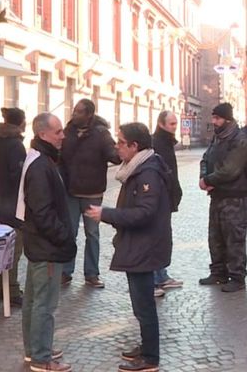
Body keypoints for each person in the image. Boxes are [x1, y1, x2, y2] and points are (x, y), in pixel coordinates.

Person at [86, 122, 172, 372]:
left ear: (135, 146)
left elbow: (144, 213)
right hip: (139, 244)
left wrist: (107, 214)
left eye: (121, 142)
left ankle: (151, 358)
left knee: (144, 304)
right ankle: (146, 347)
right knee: (139, 302)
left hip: (145, 245)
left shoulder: (147, 173)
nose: (116, 147)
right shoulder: (138, 168)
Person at [16, 112, 76, 372]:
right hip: (46, 246)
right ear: (43, 134)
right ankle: (41, 358)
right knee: (43, 304)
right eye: (58, 132)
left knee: (33, 300)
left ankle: (35, 350)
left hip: (39, 243)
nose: (63, 136)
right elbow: (42, 212)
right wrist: (64, 238)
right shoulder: (40, 165)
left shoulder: (40, 159)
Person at [60, 98, 120, 288]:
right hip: (70, 192)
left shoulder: (101, 135)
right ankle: (65, 271)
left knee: (92, 234)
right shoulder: (67, 132)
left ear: (89, 115)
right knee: (69, 233)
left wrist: (123, 151)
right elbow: (59, 157)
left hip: (92, 193)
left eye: (78, 111)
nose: (74, 114)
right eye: (74, 111)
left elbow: (115, 156)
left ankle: (92, 273)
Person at [198, 103, 247, 293]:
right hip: (217, 195)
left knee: (234, 237)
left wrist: (209, 180)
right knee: (215, 236)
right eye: (213, 118)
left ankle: (237, 276)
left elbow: (231, 169)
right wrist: (203, 177)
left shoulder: (240, 139)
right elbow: (205, 158)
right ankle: (218, 272)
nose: (214, 121)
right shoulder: (217, 138)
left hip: (235, 197)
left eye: (217, 118)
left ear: (227, 119)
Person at [0, 107, 26, 306]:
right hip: (15, 204)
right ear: (20, 123)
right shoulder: (15, 145)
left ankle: (1, 288)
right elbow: (18, 176)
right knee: (14, 249)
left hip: (3, 200)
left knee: (5, 247)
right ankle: (10, 291)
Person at [152, 111, 184, 297]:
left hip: (167, 197)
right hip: (159, 199)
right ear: (161, 124)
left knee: (163, 237)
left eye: (175, 123)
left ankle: (162, 275)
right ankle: (156, 279)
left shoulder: (167, 141)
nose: (175, 127)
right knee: (156, 238)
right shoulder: (157, 143)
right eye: (171, 124)